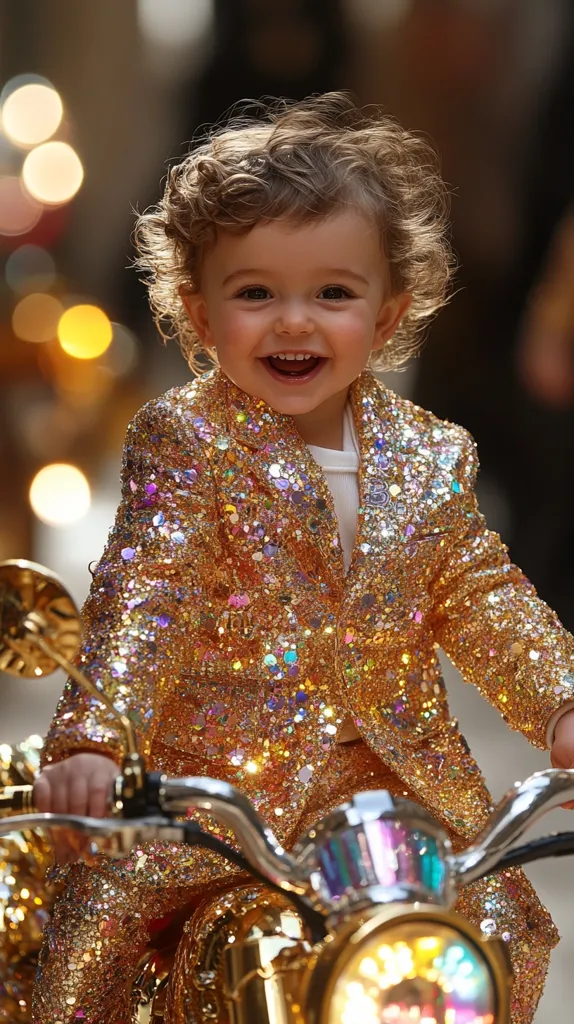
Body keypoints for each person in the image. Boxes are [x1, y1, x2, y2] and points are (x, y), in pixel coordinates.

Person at [31, 93, 574, 1024]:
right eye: (255, 294)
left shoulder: (430, 454)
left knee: (496, 925)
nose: (295, 322)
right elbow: (144, 595)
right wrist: (93, 741)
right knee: (87, 946)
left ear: (389, 309)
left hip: (390, 799)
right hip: (220, 802)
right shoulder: (188, 440)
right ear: (198, 314)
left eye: (333, 293)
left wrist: (563, 700)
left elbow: (485, 597)